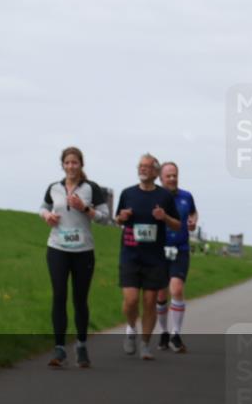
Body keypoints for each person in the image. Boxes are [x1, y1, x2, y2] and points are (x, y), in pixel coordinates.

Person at [39, 147, 110, 368]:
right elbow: (42, 207)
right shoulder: (54, 188)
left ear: (81, 165)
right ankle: (59, 348)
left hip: (83, 252)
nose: (71, 166)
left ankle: (81, 345)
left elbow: (105, 218)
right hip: (57, 248)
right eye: (67, 163)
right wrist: (47, 216)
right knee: (59, 296)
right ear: (62, 165)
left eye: (75, 163)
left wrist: (86, 209)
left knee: (80, 299)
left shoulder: (92, 188)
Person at [114, 154, 181, 361]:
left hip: (154, 258)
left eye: (147, 167)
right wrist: (121, 218)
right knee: (131, 300)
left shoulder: (165, 197)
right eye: (140, 166)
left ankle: (144, 344)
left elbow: (177, 225)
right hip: (130, 255)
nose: (142, 169)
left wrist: (165, 217)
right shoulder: (127, 193)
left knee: (150, 301)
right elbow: (117, 219)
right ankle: (131, 328)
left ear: (155, 172)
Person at [155, 162, 197, 353]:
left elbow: (193, 212)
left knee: (177, 288)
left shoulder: (186, 196)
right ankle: (163, 332)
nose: (172, 179)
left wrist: (193, 220)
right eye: (168, 176)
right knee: (161, 294)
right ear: (161, 178)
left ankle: (175, 334)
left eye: (175, 175)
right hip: (159, 249)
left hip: (180, 248)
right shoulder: (155, 197)